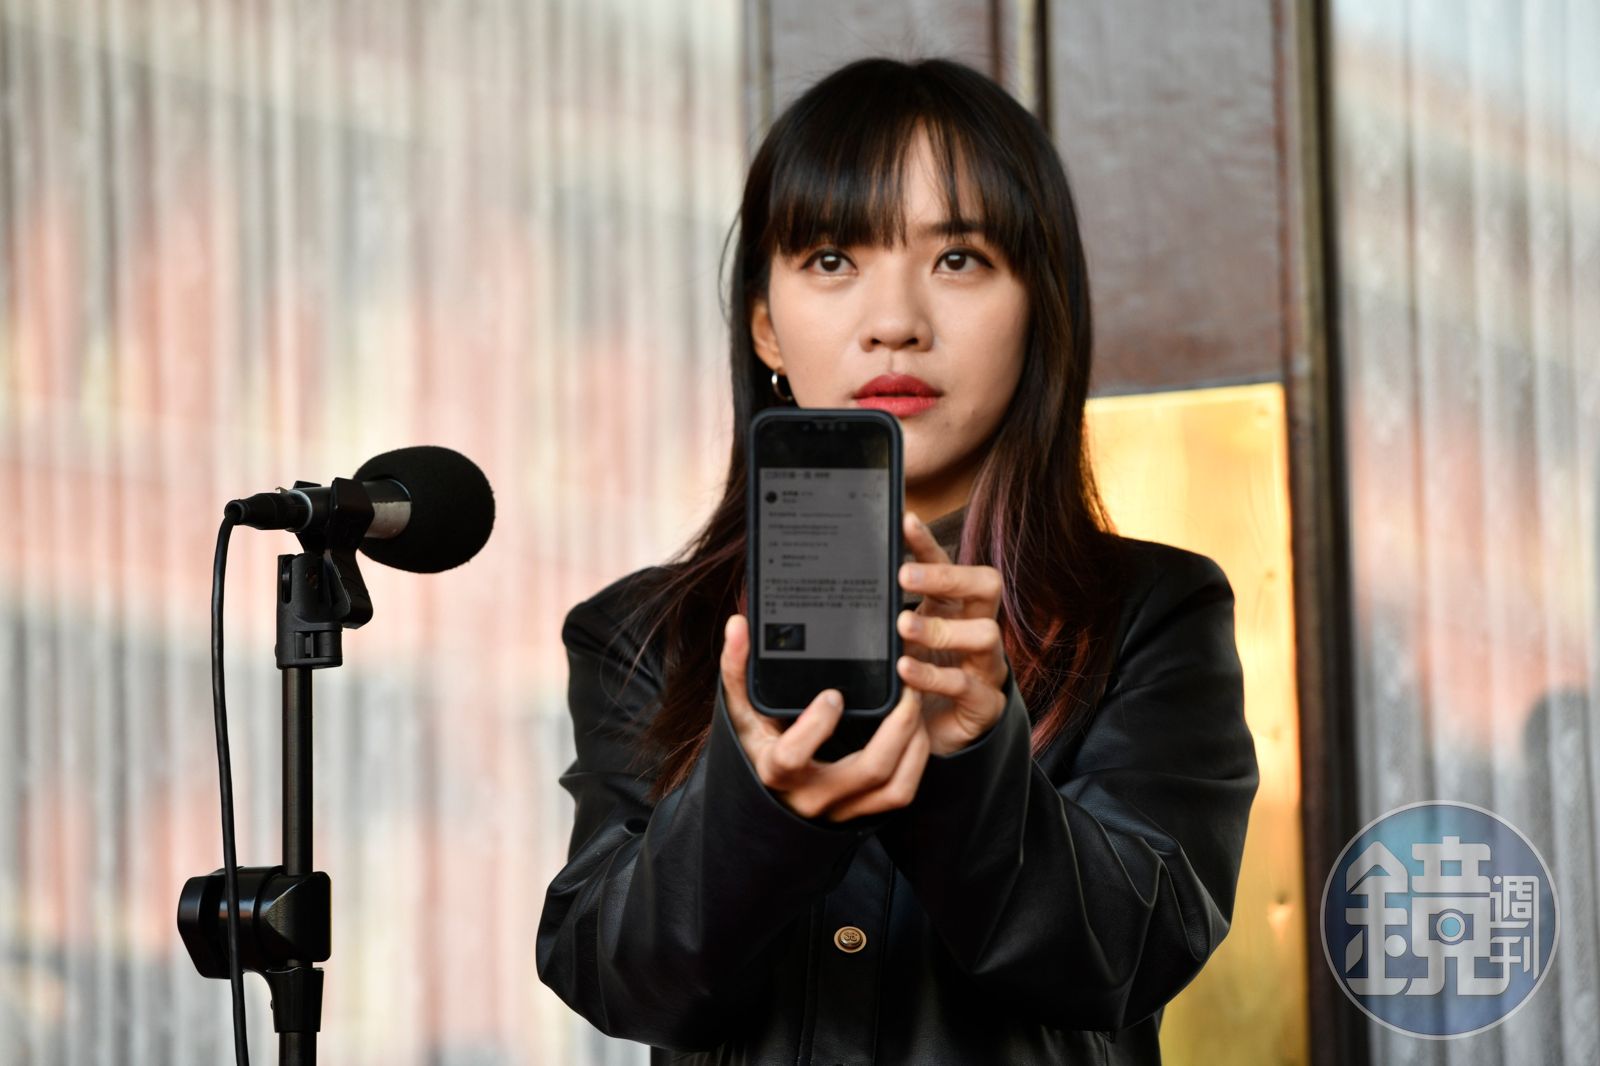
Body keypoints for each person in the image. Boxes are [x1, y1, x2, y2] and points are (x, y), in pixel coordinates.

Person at [536, 55, 1259, 1065]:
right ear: (764, 325)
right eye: (833, 258)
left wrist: (972, 762)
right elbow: (613, 974)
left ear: (1038, 308)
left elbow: (1130, 955)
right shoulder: (643, 632)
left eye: (958, 258)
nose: (894, 323)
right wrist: (757, 807)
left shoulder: (1149, 613)